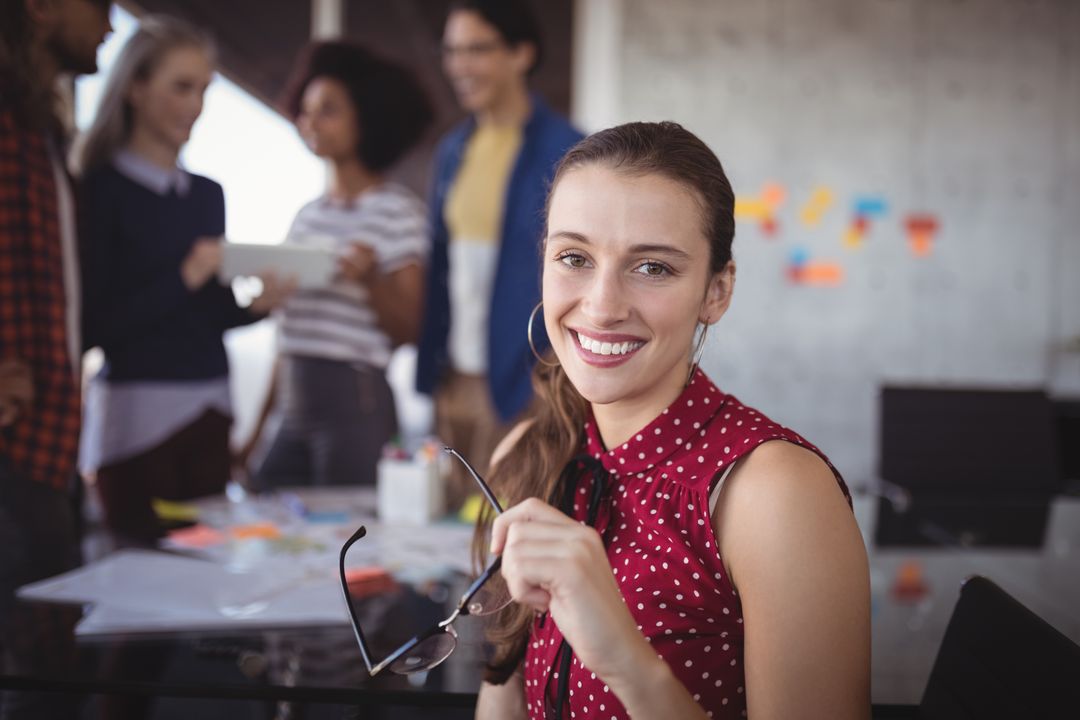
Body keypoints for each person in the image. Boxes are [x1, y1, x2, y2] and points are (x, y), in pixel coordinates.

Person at [474, 122, 871, 720]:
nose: (602, 305)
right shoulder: (531, 449)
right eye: (574, 258)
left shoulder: (776, 493)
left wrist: (626, 660)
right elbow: (501, 701)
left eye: (653, 267)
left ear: (717, 290)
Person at [73, 15, 290, 545]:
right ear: (135, 89)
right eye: (181, 87)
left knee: (207, 576)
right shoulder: (96, 191)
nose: (195, 107)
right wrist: (186, 275)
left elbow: (208, 314)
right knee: (138, 574)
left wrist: (257, 306)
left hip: (211, 416)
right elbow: (95, 326)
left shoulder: (206, 195)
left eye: (204, 91)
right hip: (137, 426)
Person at [239, 41, 433, 489]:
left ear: (366, 118)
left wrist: (371, 281)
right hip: (293, 397)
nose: (310, 121)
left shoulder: (398, 212)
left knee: (351, 540)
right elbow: (287, 337)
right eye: (306, 109)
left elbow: (410, 329)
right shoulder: (307, 216)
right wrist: (254, 433)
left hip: (354, 401)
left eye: (328, 109)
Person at [415, 0, 583, 504]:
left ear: (521, 54)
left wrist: (549, 377)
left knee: (515, 531)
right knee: (450, 536)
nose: (459, 66)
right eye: (451, 52)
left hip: (525, 381)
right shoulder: (453, 151)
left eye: (477, 50)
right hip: (456, 379)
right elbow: (443, 269)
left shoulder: (570, 150)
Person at [0, 0, 112, 716]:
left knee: (51, 683)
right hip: (14, 452)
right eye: (97, 5)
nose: (107, 22)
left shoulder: (34, 129)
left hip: (45, 448)